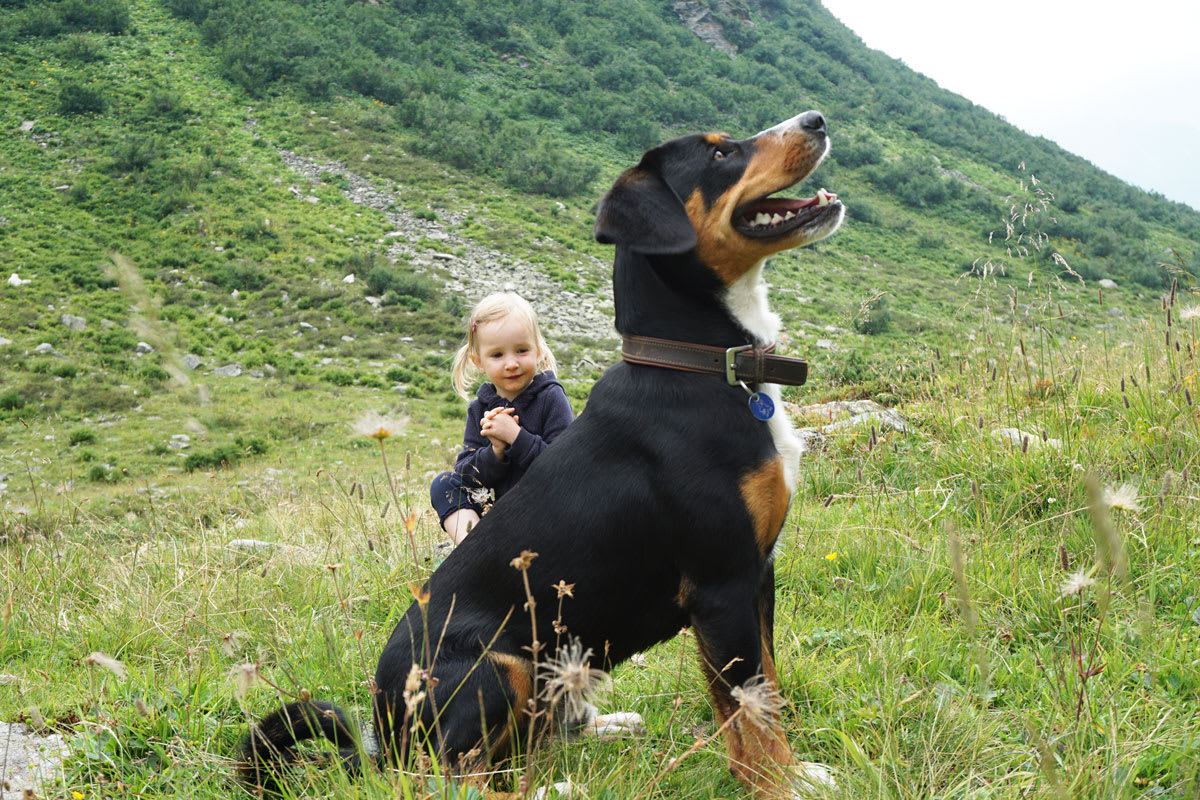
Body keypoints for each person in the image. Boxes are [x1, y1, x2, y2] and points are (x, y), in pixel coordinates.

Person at [430, 292, 574, 544]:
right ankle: (475, 551)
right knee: (444, 484)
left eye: (521, 350)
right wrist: (495, 451)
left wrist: (516, 438)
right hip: (498, 517)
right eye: (497, 355)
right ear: (479, 362)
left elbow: (566, 468)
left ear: (538, 351)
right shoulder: (479, 409)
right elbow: (467, 474)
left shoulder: (551, 398)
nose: (511, 363)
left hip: (546, 512)